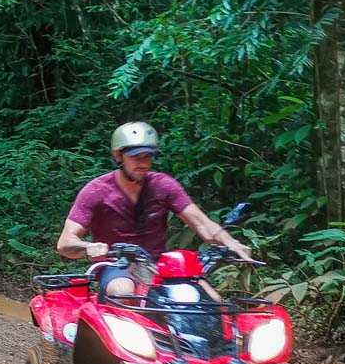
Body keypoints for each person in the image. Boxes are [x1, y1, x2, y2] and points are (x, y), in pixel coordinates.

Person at [56, 121, 252, 296]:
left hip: (161, 266)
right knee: (123, 292)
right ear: (118, 155)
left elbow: (202, 223)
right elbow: (65, 243)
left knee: (211, 300)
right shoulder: (96, 190)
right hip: (117, 266)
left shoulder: (163, 185)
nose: (143, 164)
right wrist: (88, 246)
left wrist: (230, 243)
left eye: (148, 157)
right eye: (136, 157)